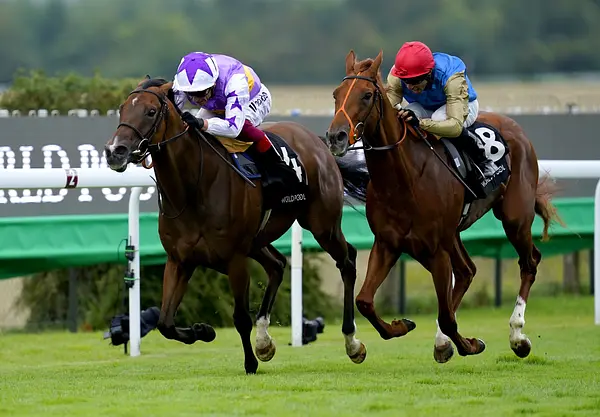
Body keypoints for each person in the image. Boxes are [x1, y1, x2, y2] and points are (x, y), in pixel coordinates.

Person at [385, 41, 498, 177]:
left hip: (463, 105)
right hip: (426, 105)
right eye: (405, 81)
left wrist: (420, 122)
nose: (409, 87)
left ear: (429, 74)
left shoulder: (451, 76)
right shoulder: (398, 74)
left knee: (438, 118)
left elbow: (455, 126)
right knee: (405, 118)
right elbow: (387, 108)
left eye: (415, 81)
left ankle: (483, 159)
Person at [172, 51, 288, 171]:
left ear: (213, 84)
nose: (196, 99)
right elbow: (172, 113)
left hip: (252, 97)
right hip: (218, 103)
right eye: (190, 94)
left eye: (200, 93)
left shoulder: (236, 82)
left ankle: (278, 166)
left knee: (243, 128)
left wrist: (202, 123)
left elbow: (233, 128)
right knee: (192, 131)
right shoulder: (183, 81)